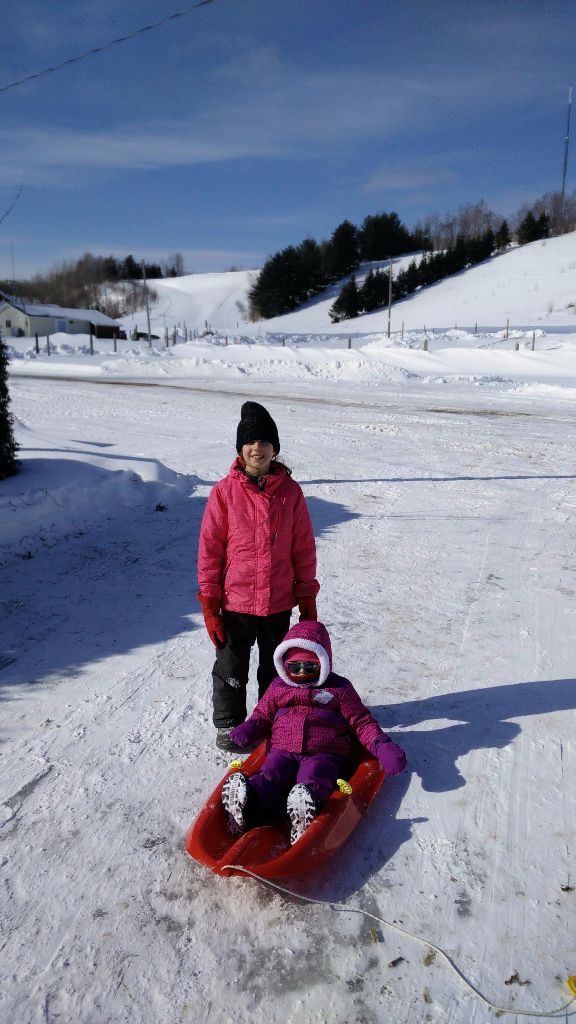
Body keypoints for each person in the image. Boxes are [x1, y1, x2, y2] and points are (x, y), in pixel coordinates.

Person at [197, 401, 319, 752]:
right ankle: (230, 725)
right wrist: (210, 603)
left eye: (265, 442)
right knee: (231, 668)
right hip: (236, 602)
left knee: (275, 667)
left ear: (275, 449)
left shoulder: (291, 493)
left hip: (278, 601)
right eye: (250, 441)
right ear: (240, 448)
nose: (257, 448)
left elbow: (303, 548)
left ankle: (273, 719)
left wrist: (306, 597)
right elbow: (210, 550)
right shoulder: (224, 492)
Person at [220, 620, 407, 844]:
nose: (301, 673)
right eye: (294, 667)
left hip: (324, 751)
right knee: (271, 774)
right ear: (284, 665)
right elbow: (263, 715)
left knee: (315, 777)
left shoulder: (339, 689)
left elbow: (361, 721)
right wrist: (248, 729)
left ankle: (304, 811)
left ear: (323, 663)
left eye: (309, 668)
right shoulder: (278, 687)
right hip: (282, 748)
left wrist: (381, 744)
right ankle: (248, 803)